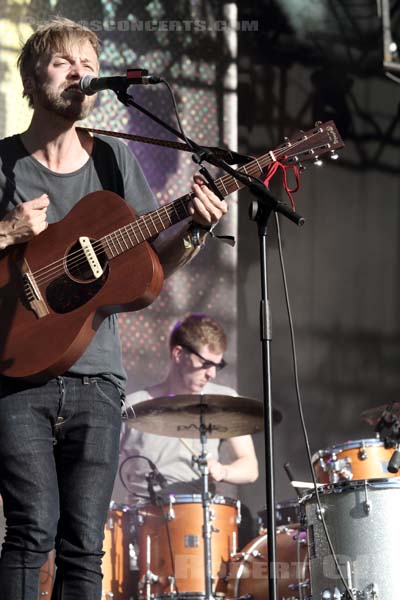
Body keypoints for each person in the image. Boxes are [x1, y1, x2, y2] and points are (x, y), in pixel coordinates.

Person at [0, 17, 228, 600]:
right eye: (63, 63)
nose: (80, 73)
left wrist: (194, 232)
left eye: (87, 65)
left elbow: (150, 269)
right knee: (31, 532)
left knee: (84, 544)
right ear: (32, 78)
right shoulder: (3, 163)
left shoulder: (114, 162)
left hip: (98, 378)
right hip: (15, 376)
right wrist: (7, 230)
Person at [118, 313, 258, 500]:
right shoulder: (132, 406)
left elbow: (250, 468)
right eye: (206, 364)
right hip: (143, 519)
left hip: (201, 519)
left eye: (218, 365)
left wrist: (223, 471)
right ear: (178, 354)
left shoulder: (224, 401)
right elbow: (98, 464)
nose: (212, 374)